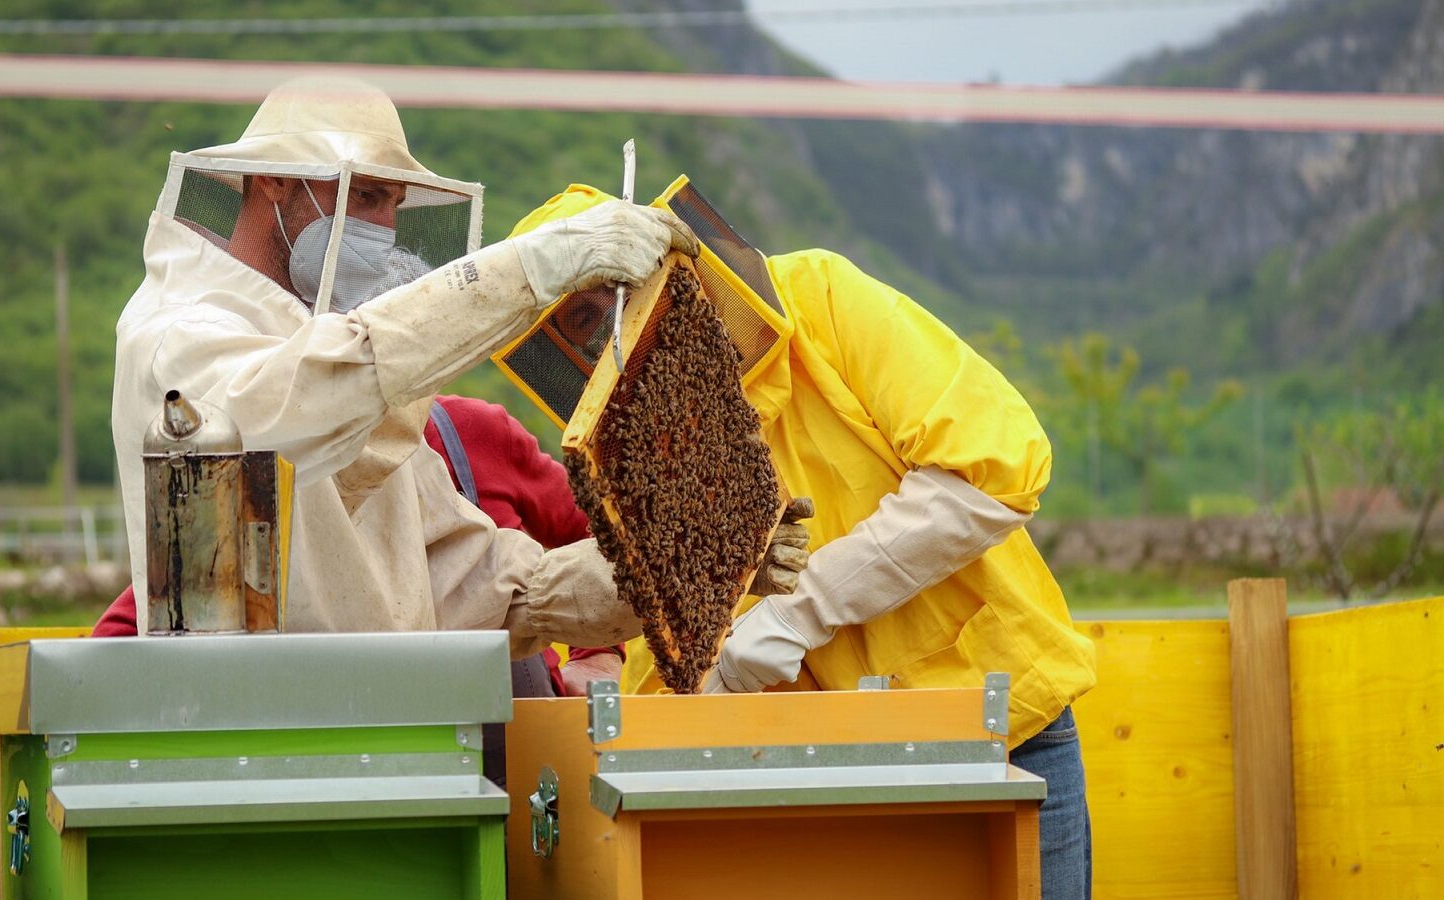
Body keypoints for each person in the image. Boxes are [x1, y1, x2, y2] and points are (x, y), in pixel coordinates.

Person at [508, 183, 1098, 899]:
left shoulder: (820, 295)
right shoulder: (637, 451)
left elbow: (994, 470)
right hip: (808, 770)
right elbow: (666, 651)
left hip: (1000, 730)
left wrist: (798, 611)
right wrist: (700, 685)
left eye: (615, 287)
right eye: (582, 317)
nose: (612, 322)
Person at [110, 76, 699, 658]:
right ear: (273, 180)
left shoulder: (340, 372)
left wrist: (667, 571)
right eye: (367, 196)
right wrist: (532, 269)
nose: (385, 229)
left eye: (394, 204)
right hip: (257, 736)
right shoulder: (178, 334)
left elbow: (472, 583)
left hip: (389, 728)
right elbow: (290, 406)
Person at [94, 392, 627, 695]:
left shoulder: (474, 429)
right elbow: (143, 619)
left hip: (532, 745)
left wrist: (599, 655)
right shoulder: (286, 474)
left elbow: (607, 532)